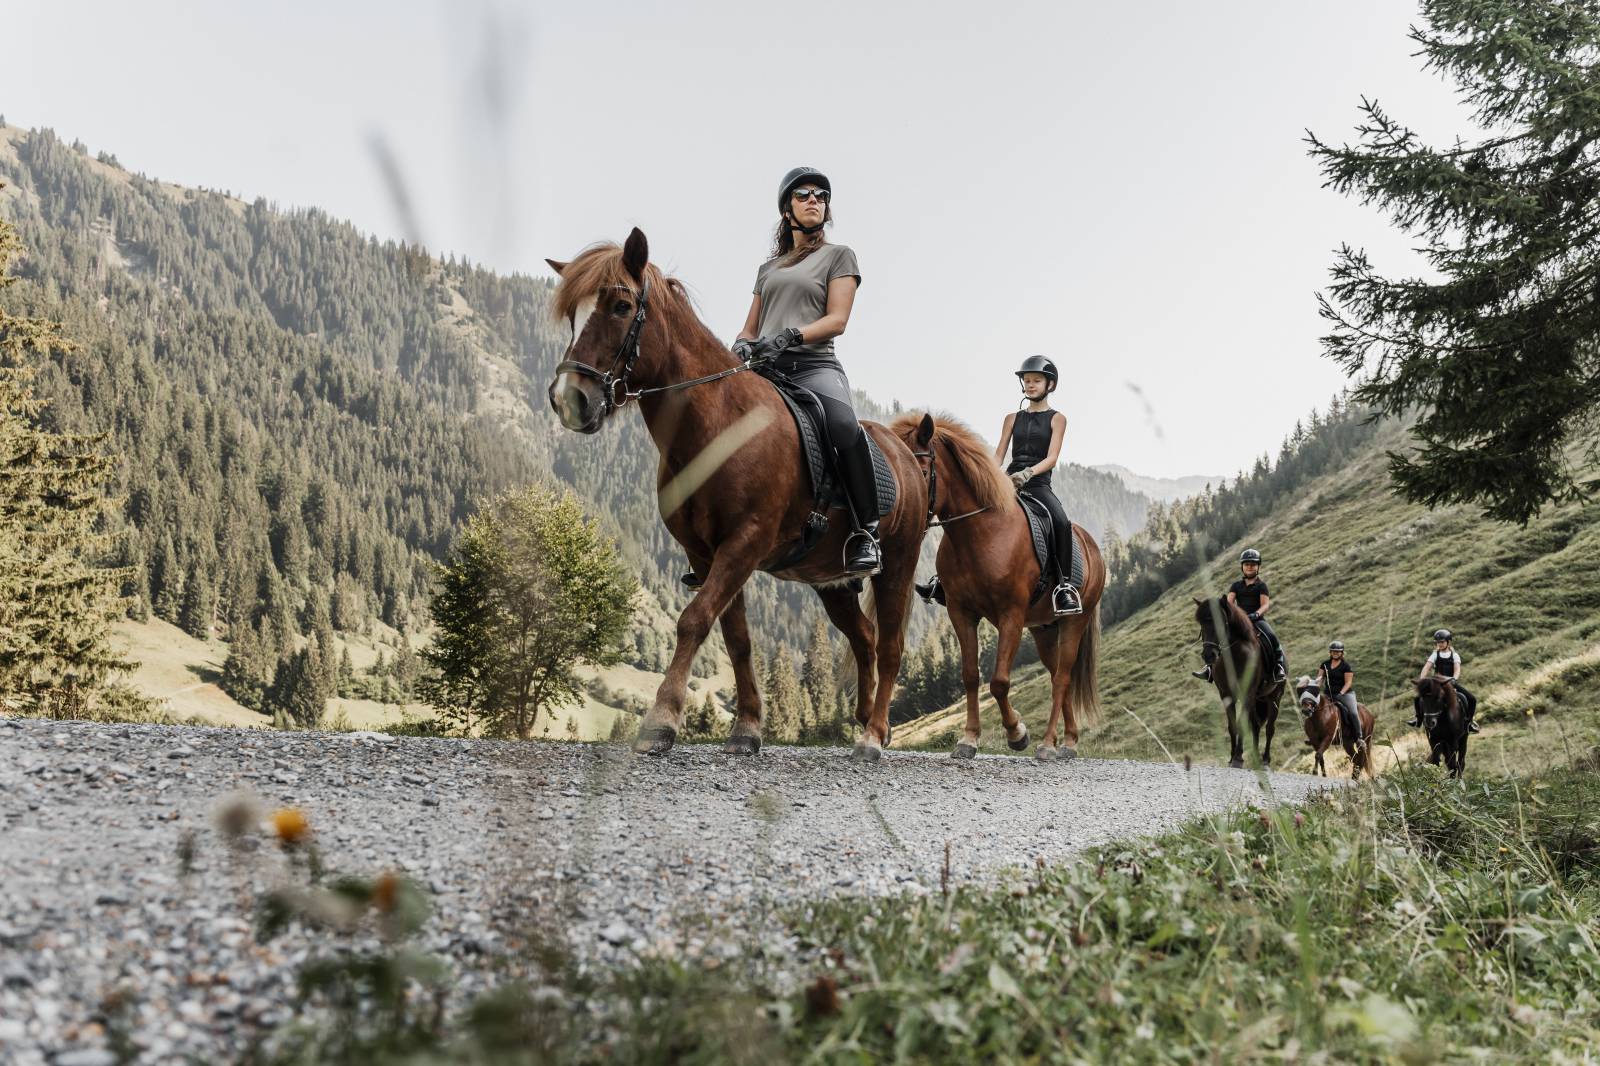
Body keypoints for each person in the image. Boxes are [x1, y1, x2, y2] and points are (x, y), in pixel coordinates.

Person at [733, 166, 877, 574]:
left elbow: (837, 320)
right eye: (804, 194)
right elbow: (750, 326)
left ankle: (866, 531)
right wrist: (742, 343)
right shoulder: (769, 270)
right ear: (787, 211)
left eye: (821, 195)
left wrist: (792, 335)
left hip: (814, 366)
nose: (814, 199)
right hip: (766, 371)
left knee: (845, 427)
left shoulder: (839, 256)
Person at [994, 356, 1082, 615]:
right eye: (1027, 381)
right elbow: (999, 454)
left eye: (1036, 381)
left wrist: (1029, 473)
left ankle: (1065, 587)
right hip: (1009, 480)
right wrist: (987, 474)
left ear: (1050, 384)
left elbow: (1052, 457)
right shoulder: (1011, 418)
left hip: (1038, 482)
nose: (1030, 385)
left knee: (1061, 522)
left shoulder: (1058, 419)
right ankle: (945, 581)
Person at [1193, 548, 1286, 683]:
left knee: (1271, 636)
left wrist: (1256, 614)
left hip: (1256, 619)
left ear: (1258, 566)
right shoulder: (1236, 586)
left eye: (1253, 564)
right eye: (1247, 564)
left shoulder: (1262, 586)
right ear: (1242, 567)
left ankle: (1279, 667)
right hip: (1239, 621)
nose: (1250, 567)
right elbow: (1229, 604)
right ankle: (1209, 669)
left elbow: (1265, 605)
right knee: (1216, 637)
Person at [1410, 628, 1480, 733]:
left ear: (1448, 642)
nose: (1440, 644)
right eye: (1438, 642)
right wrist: (1422, 679)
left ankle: (1469, 722)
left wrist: (1454, 679)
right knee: (1417, 698)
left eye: (1442, 642)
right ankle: (1418, 720)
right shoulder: (1435, 655)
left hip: (1450, 683)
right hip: (1436, 684)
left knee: (1471, 699)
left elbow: (1457, 670)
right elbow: (1426, 667)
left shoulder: (1455, 655)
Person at [1320, 640, 1363, 750]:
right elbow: (1319, 679)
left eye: (1338, 651)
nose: (1335, 653)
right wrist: (1314, 686)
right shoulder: (1324, 664)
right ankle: (1314, 735)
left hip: (1345, 694)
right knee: (1314, 707)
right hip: (1328, 694)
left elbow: (1348, 682)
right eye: (1333, 651)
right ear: (1330, 652)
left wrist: (1341, 693)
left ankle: (1359, 738)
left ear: (1342, 653)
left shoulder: (1346, 666)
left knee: (1353, 712)